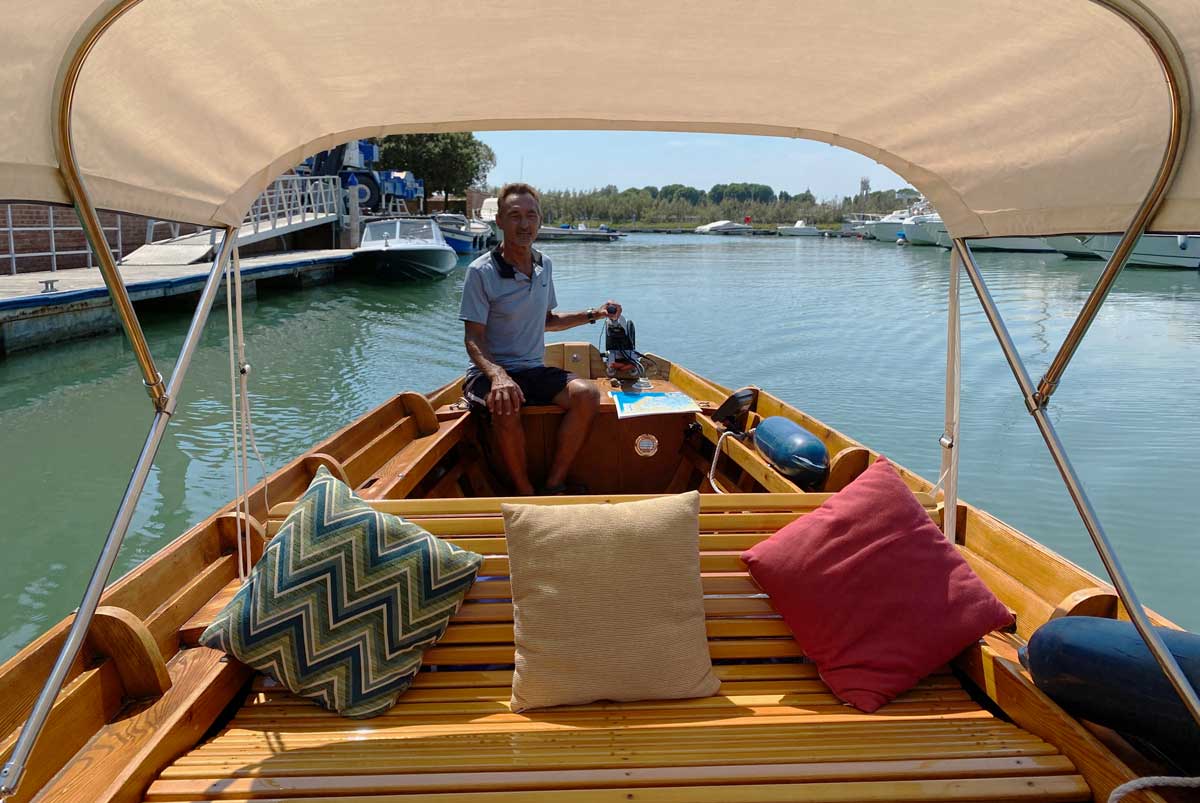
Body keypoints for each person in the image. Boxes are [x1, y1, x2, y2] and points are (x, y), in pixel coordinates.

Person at [458, 182, 621, 495]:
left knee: (586, 394)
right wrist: (498, 376)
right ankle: (525, 493)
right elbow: (473, 339)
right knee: (505, 401)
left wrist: (595, 313)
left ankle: (554, 484)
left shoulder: (544, 265)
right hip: (487, 374)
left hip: (532, 370)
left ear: (540, 220)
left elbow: (547, 321)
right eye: (515, 216)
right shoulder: (481, 272)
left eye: (531, 216)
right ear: (500, 221)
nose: (524, 224)